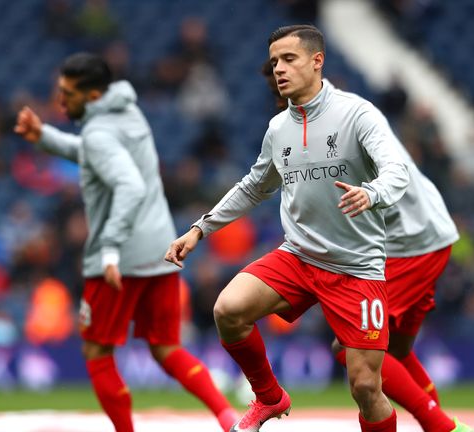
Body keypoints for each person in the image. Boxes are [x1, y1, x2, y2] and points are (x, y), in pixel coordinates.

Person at [166, 25, 411, 432]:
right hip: (298, 257)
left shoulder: (357, 114)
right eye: (275, 61)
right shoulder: (279, 127)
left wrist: (373, 193)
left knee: (366, 386)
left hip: (356, 268)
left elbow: (396, 169)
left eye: (289, 59)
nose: (279, 69)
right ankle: (268, 397)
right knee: (228, 310)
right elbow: (253, 187)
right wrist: (199, 229)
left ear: (318, 61)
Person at [14, 52, 237, 432]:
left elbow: (126, 182)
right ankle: (228, 416)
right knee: (166, 348)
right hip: (160, 248)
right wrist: (46, 137)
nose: (60, 100)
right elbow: (95, 153)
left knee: (97, 350)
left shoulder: (99, 133)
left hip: (121, 258)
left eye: (69, 93)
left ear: (95, 95)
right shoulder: (129, 114)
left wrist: (111, 248)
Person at [264, 59, 472, 431]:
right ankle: (440, 424)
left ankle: (442, 426)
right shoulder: (341, 115)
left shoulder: (342, 124)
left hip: (408, 243)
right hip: (425, 233)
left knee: (350, 349)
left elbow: (380, 180)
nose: (282, 101)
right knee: (395, 350)